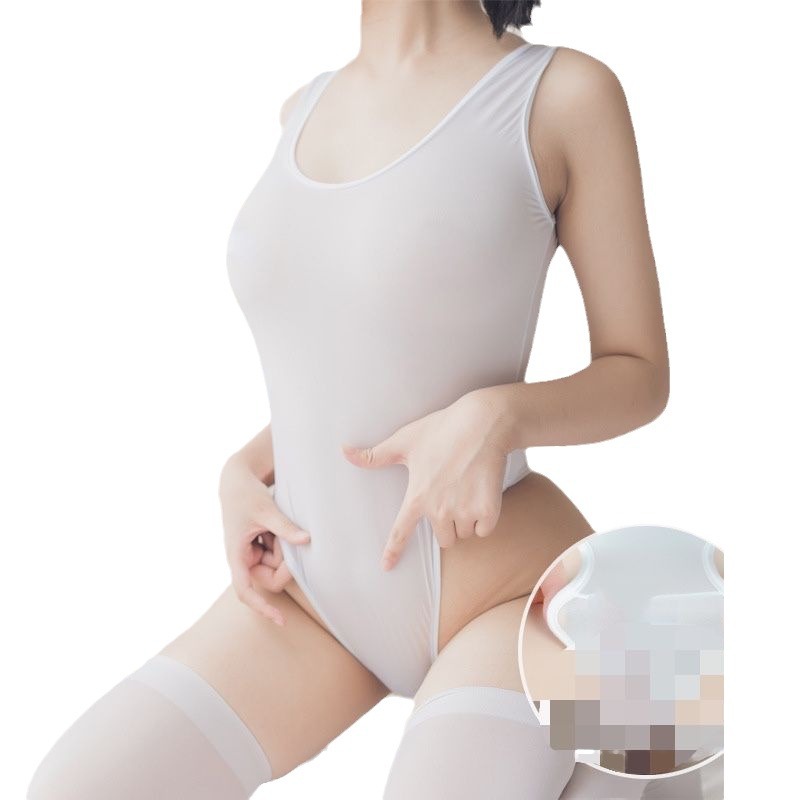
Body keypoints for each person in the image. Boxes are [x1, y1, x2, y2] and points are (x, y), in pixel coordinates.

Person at [27, 1, 669, 798]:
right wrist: (246, 468)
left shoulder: (561, 94)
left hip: (519, 599)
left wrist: (499, 415)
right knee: (76, 788)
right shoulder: (303, 108)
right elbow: (358, 365)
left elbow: (640, 371)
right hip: (312, 599)